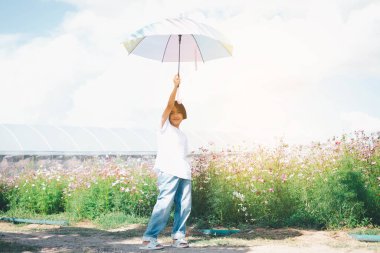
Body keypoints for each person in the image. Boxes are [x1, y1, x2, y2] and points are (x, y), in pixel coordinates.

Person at [140, 74, 192, 250]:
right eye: (172, 113)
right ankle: (149, 238)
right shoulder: (164, 127)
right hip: (168, 171)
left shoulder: (182, 135)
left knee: (184, 206)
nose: (175, 115)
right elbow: (169, 105)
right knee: (164, 205)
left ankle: (179, 237)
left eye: (179, 113)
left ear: (183, 115)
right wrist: (176, 87)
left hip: (184, 172)